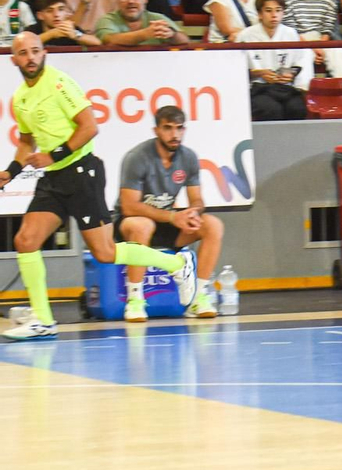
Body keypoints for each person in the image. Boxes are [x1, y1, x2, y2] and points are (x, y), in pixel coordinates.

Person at [1, 32, 198, 341]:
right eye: (23, 53)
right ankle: (42, 320)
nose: (31, 57)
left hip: (82, 173)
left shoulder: (59, 83)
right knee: (26, 239)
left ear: (44, 53)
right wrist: (10, 171)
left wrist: (53, 155)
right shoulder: (20, 99)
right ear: (14, 59)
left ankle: (175, 263)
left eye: (35, 51)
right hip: (53, 179)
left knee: (105, 252)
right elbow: (26, 141)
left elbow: (90, 127)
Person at [116, 104, 224, 326]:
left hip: (167, 221)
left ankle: (198, 297)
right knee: (142, 225)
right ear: (156, 130)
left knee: (213, 225)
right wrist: (174, 217)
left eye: (179, 128)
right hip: (130, 224)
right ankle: (135, 300)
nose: (174, 134)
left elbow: (197, 198)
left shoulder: (189, 158)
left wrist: (193, 212)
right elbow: (129, 206)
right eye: (168, 128)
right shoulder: (137, 157)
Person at [239, 0, 311, 120]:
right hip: (258, 88)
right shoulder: (246, 35)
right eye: (268, 11)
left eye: (278, 10)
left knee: (297, 108)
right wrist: (259, 73)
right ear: (260, 14)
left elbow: (299, 62)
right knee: (271, 110)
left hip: (286, 88)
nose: (274, 15)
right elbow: (236, 70)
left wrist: (291, 74)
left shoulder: (291, 33)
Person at [96, 0, 184, 48]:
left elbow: (184, 40)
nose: (130, 1)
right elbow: (110, 40)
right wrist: (145, 34)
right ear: (117, 1)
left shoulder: (157, 18)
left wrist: (172, 34)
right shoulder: (107, 20)